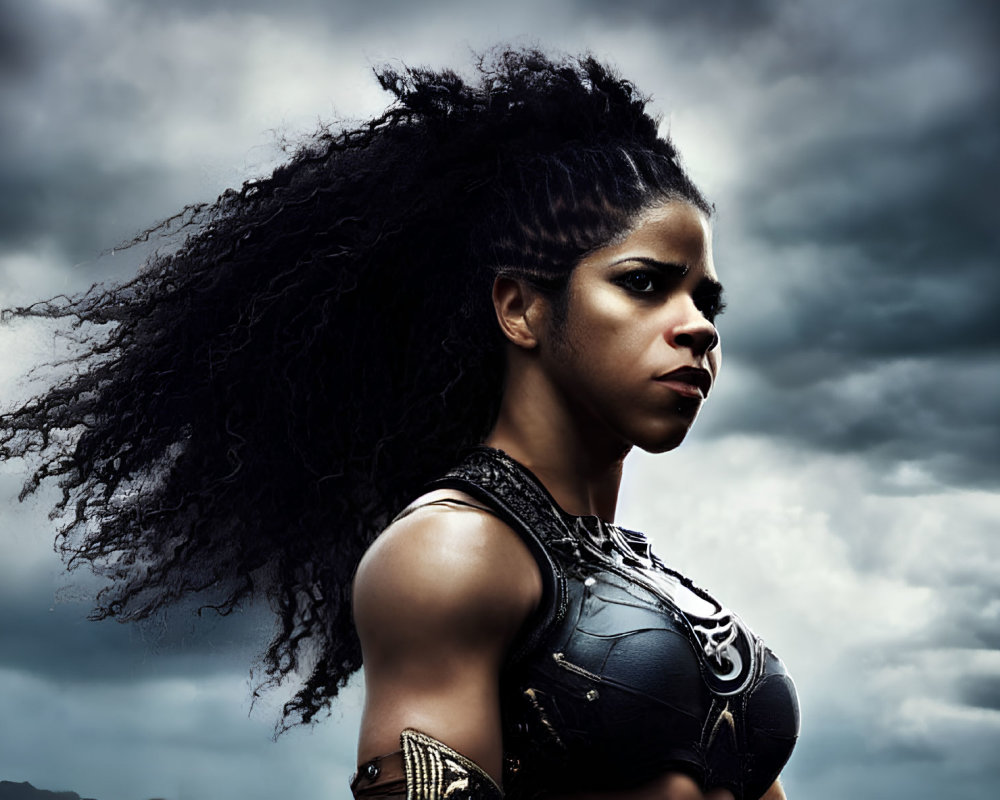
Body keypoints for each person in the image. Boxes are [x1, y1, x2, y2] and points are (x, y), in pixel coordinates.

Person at [0, 49, 798, 799]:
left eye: (706, 299)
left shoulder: (643, 573)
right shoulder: (453, 552)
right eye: (645, 284)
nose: (698, 326)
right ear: (520, 308)